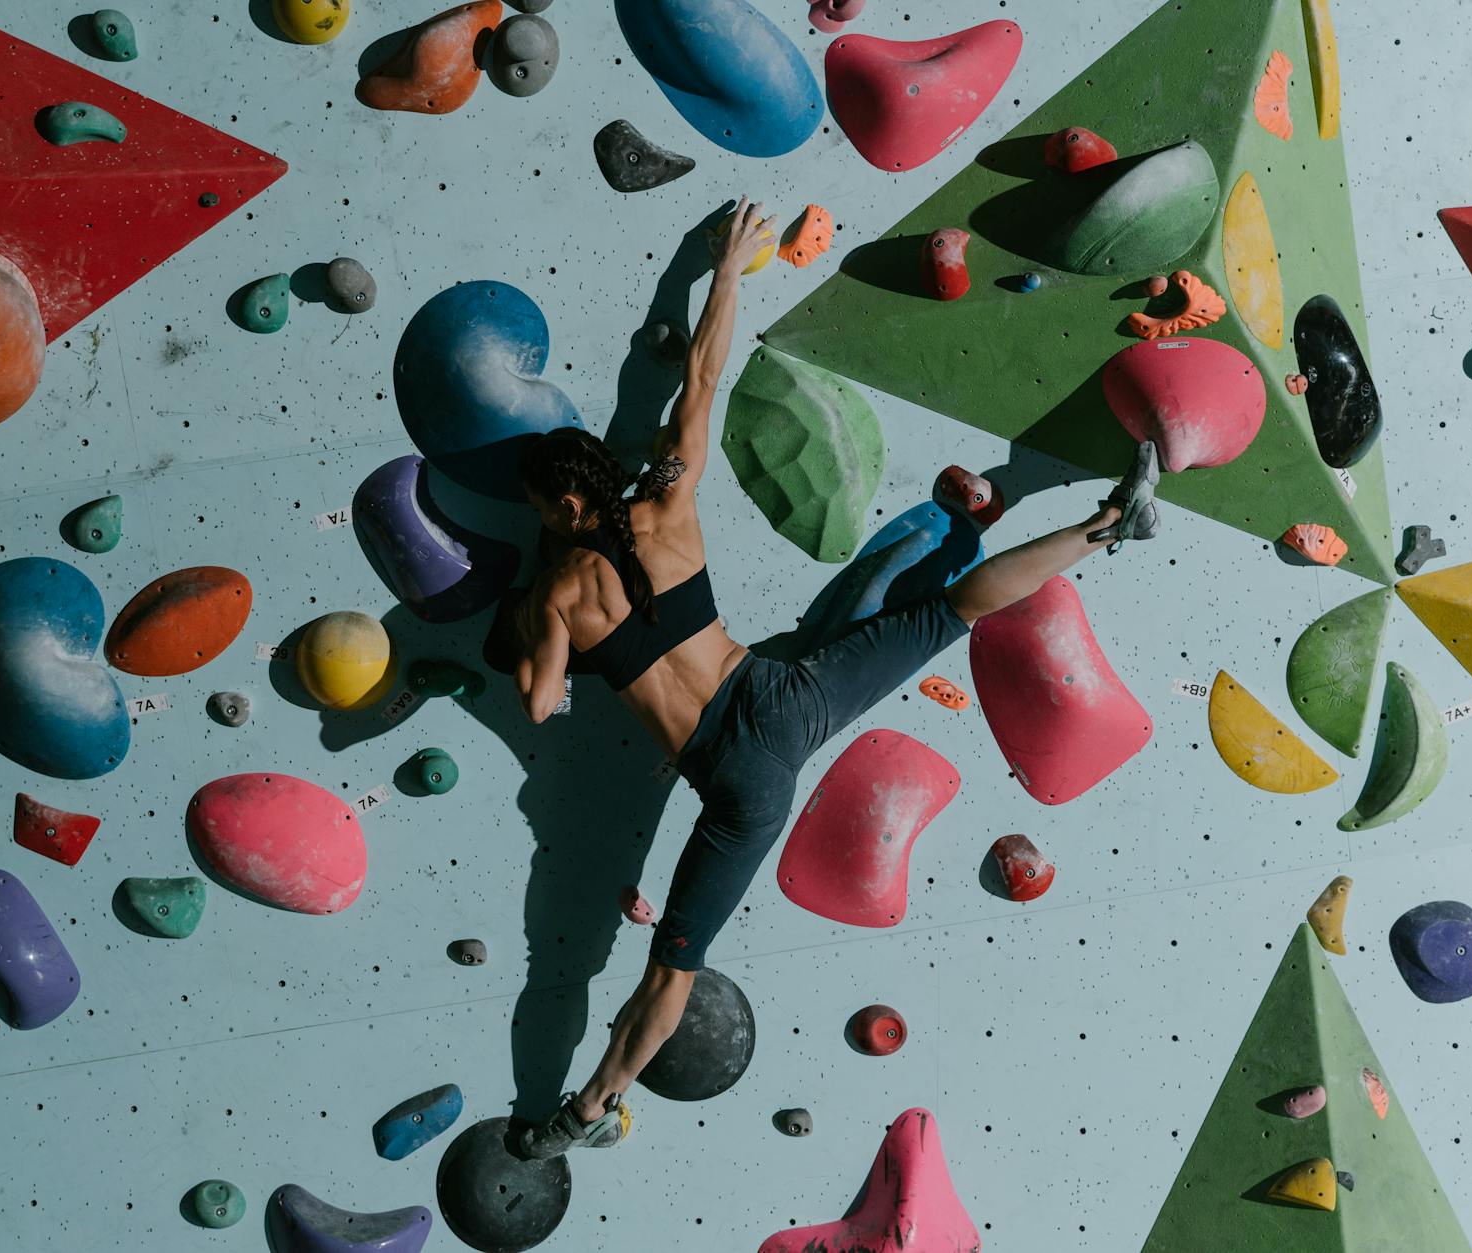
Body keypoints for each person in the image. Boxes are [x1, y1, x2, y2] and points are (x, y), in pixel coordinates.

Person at [494, 198, 1160, 1157]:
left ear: (562, 502)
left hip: (737, 782)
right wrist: (723, 272)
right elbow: (702, 373)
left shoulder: (554, 596)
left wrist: (532, 614)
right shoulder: (668, 498)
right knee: (949, 608)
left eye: (537, 509)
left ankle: (579, 1113)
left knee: (672, 967)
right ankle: (1107, 526)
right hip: (781, 697)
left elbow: (540, 702)